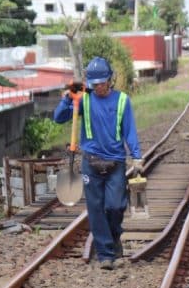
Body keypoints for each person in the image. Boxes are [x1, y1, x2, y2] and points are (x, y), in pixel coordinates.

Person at [52, 57, 142, 270]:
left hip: (116, 162)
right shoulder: (83, 99)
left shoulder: (122, 100)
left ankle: (114, 238)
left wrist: (137, 156)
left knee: (115, 206)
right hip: (90, 162)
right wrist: (67, 98)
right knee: (95, 209)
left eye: (102, 82)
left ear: (111, 79)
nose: (99, 87)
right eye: (95, 84)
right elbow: (58, 118)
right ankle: (105, 254)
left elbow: (130, 130)